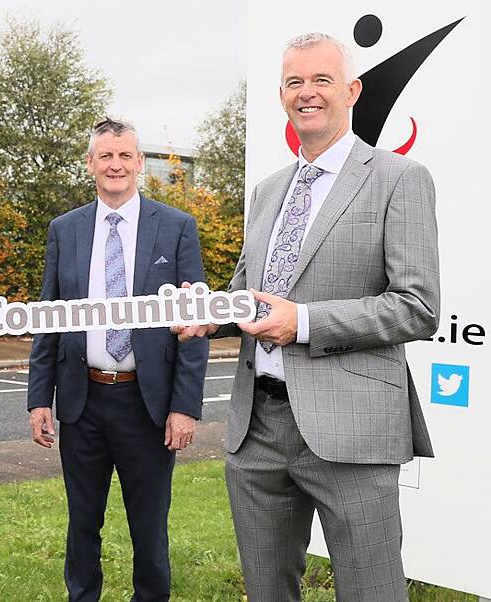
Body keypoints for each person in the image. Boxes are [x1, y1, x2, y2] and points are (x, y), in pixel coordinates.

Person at [176, 33, 440, 601]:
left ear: (352, 91)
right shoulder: (268, 190)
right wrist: (211, 313)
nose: (307, 93)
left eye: (321, 80)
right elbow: (252, 292)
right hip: (257, 428)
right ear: (281, 96)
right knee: (268, 590)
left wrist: (305, 323)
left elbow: (416, 308)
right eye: (295, 82)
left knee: (372, 592)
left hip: (352, 428)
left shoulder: (399, 178)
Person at [26, 117, 209, 602]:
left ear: (139, 164)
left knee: (149, 529)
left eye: (125, 155)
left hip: (146, 406)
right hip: (82, 402)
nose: (115, 165)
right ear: (90, 163)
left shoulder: (175, 228)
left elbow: (194, 327)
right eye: (105, 155)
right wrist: (38, 398)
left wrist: (185, 406)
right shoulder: (64, 230)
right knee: (81, 524)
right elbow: (49, 318)